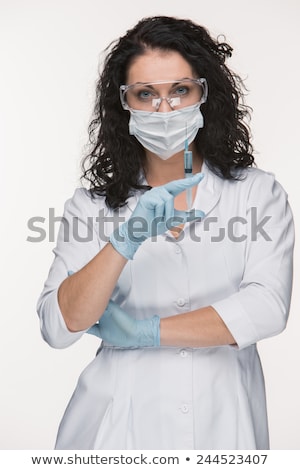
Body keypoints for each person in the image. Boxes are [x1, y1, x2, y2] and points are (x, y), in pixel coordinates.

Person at [37, 16, 294, 450]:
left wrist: (147, 333)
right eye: (145, 94)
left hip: (224, 424)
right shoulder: (92, 206)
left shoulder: (256, 194)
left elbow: (268, 306)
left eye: (180, 90)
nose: (165, 109)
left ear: (204, 93)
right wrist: (125, 239)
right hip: (116, 431)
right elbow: (59, 326)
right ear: (125, 104)